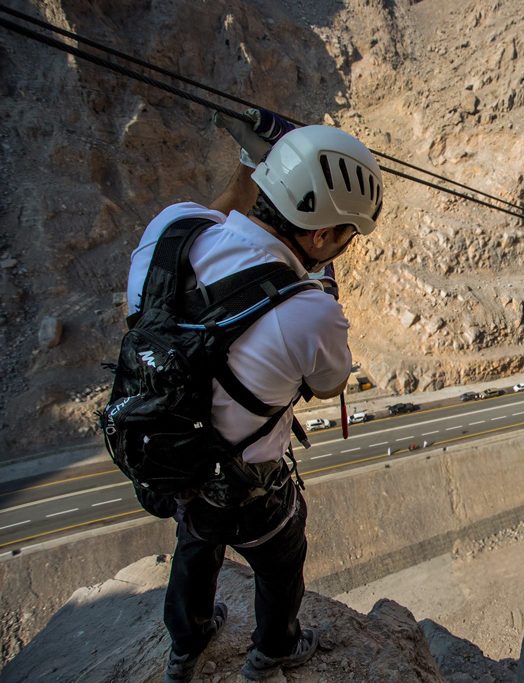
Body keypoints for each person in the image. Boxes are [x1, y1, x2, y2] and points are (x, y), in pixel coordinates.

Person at [124, 115, 383, 682]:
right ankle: (273, 650)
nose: (344, 244)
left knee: (195, 542)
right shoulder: (309, 311)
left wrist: (254, 163)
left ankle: (185, 645)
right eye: (345, 234)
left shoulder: (169, 232)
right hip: (246, 486)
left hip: (173, 459)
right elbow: (329, 384)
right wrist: (320, 292)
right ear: (319, 237)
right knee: (281, 557)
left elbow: (220, 212)